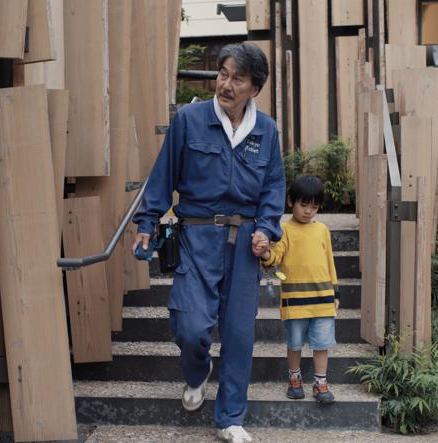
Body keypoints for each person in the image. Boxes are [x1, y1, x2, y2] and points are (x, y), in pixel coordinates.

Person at [132, 43, 285, 443]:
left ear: (255, 87)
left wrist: (267, 229)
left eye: (238, 78)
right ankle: (197, 372)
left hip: (245, 241)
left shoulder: (266, 131)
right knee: (191, 325)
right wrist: (147, 222)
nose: (226, 84)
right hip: (197, 236)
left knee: (237, 334)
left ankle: (230, 418)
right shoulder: (189, 120)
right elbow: (163, 175)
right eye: (223, 74)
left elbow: (273, 187)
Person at [258, 175, 340, 404]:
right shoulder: (284, 230)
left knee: (322, 344)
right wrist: (265, 253)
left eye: (314, 206)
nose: (308, 211)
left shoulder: (322, 230)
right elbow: (275, 256)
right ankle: (294, 378)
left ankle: (320, 381)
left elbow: (329, 262)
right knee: (294, 343)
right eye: (303, 205)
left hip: (323, 298)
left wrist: (336, 291)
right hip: (295, 299)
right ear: (290, 201)